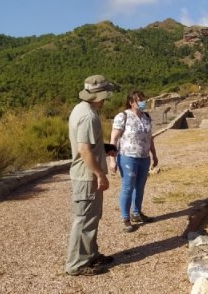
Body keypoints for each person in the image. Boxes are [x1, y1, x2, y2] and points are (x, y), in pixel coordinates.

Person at [66, 75, 116, 276]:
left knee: (91, 218)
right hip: (87, 177)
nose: (105, 101)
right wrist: (100, 174)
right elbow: (84, 150)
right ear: (99, 96)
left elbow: (89, 145)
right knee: (84, 219)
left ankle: (91, 255)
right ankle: (76, 265)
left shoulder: (81, 109)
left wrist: (105, 147)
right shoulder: (88, 116)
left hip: (86, 176)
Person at [109, 90, 158, 233]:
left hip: (144, 158)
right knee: (128, 187)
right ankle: (125, 218)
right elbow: (114, 139)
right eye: (140, 100)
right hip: (127, 157)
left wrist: (154, 155)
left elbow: (150, 138)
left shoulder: (146, 117)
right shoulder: (122, 116)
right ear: (131, 102)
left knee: (140, 187)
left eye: (144, 99)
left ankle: (136, 213)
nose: (143, 102)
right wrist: (112, 160)